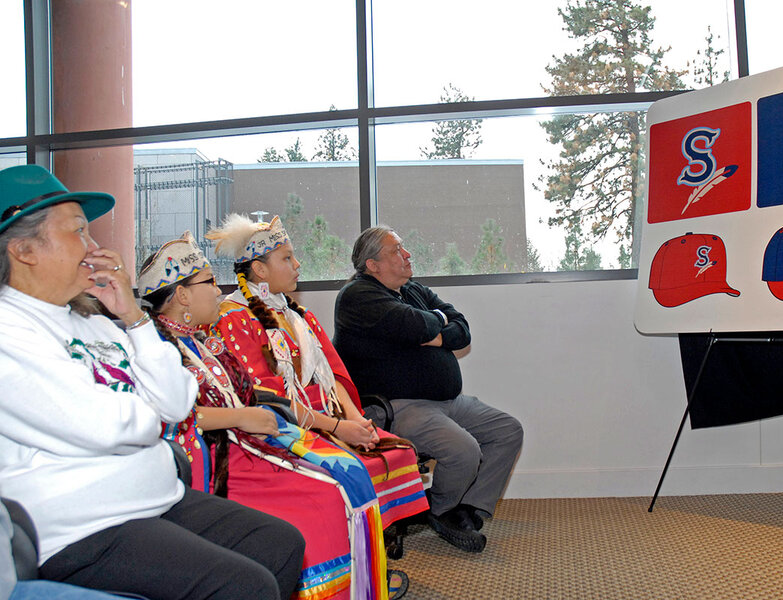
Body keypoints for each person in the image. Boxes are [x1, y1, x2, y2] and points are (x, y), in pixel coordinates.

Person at [0, 165, 304, 600]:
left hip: (157, 499)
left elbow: (179, 401)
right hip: (81, 528)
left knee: (280, 543)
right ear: (25, 250)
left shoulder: (94, 322)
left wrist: (134, 318)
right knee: (244, 585)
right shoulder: (9, 331)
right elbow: (107, 426)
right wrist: (151, 415)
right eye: (79, 233)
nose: (94, 248)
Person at [137, 231, 407, 600]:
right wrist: (244, 418)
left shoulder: (199, 339)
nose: (218, 290)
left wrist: (341, 418)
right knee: (328, 495)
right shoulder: (160, 346)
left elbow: (279, 388)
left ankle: (362, 582)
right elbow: (168, 415)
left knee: (346, 478)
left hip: (254, 433)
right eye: (209, 283)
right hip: (216, 455)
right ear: (182, 295)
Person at [333, 225, 524, 553]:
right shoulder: (358, 296)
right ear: (372, 265)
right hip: (397, 406)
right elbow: (419, 324)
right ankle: (437, 508)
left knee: (508, 431)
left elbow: (461, 329)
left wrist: (434, 330)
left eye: (403, 248)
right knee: (464, 451)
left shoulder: (414, 290)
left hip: (448, 401)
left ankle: (464, 508)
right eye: (396, 250)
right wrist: (436, 322)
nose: (407, 255)